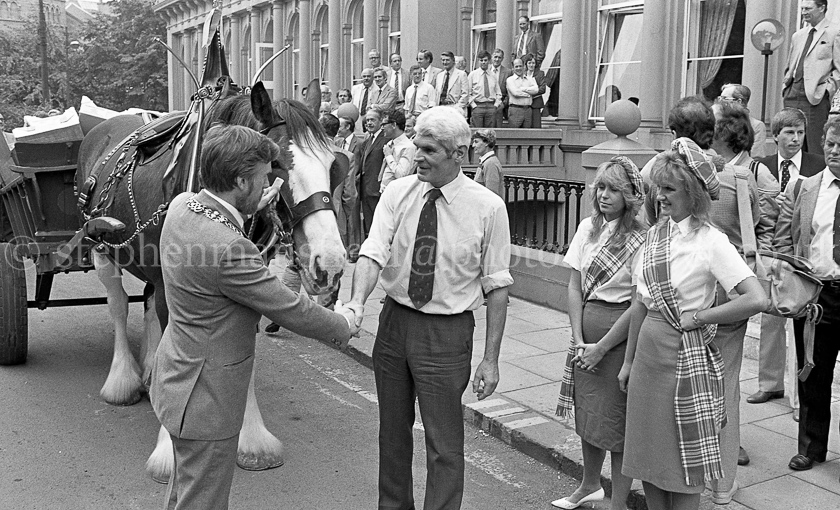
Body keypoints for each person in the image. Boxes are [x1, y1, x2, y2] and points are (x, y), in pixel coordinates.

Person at [150, 125, 358, 510]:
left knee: (183, 493)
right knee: (203, 502)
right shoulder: (231, 249)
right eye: (263, 177)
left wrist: (247, 208)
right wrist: (342, 323)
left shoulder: (181, 206)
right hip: (208, 401)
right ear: (241, 181)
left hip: (177, 384)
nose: (268, 184)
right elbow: (290, 308)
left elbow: (215, 235)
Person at [347, 106, 512, 510]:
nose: (417, 156)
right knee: (392, 434)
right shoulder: (397, 193)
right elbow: (373, 251)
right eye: (417, 146)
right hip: (394, 324)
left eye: (429, 150)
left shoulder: (488, 208)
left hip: (447, 333)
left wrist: (490, 359)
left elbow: (497, 286)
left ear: (459, 153)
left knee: (444, 443)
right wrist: (355, 302)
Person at [619, 139, 768, 510]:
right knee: (649, 458)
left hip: (684, 360)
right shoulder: (654, 235)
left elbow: (756, 298)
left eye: (669, 189)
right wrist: (628, 362)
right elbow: (640, 304)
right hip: (648, 359)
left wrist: (702, 317)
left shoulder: (712, 241)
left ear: (693, 193)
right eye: (658, 188)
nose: (660, 196)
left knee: (686, 463)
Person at [552, 157, 646, 510]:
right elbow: (574, 285)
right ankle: (590, 485)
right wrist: (578, 339)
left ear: (630, 195)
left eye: (614, 190)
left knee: (617, 423)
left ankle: (619, 502)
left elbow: (638, 303)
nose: (604, 195)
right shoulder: (586, 229)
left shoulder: (642, 238)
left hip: (618, 337)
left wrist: (602, 347)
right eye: (601, 187)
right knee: (589, 414)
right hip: (586, 331)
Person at [707, 102, 779, 504]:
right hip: (732, 289)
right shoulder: (741, 177)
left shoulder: (705, 174)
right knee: (726, 380)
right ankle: (722, 478)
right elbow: (755, 229)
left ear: (722, 136)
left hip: (701, 288)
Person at [774, 115, 840, 473]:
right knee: (813, 374)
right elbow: (784, 238)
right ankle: (812, 447)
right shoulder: (806, 187)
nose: (834, 151)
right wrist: (794, 277)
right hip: (817, 296)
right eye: (830, 144)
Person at [751, 107, 824, 415]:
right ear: (776, 135)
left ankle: (798, 395)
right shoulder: (761, 166)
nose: (796, 138)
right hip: (772, 251)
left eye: (800, 133)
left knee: (802, 326)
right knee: (771, 318)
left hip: (803, 254)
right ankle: (769, 384)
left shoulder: (818, 165)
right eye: (790, 132)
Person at [782, 0, 840, 156]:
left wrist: (827, 90)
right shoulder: (798, 36)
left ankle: (817, 172)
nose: (803, 12)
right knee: (791, 142)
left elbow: (839, 69)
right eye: (802, 9)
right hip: (792, 93)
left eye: (808, 8)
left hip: (816, 96)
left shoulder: (835, 32)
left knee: (815, 145)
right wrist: (786, 87)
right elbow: (790, 64)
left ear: (821, 8)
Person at [354, 106, 390, 237]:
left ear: (381, 121)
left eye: (372, 120)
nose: (369, 123)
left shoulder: (385, 139)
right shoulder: (368, 139)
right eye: (367, 120)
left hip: (377, 189)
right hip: (365, 189)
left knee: (378, 226)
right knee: (368, 225)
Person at [336, 116, 362, 259]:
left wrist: (356, 179)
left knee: (353, 222)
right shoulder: (338, 142)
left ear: (348, 127)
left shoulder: (359, 143)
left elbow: (361, 163)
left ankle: (354, 252)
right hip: (340, 187)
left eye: (340, 126)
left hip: (353, 185)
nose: (338, 129)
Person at [718, 83, 767, 158]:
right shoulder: (718, 122)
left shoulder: (756, 126)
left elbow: (757, 156)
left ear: (739, 101)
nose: (720, 102)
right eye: (720, 98)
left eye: (724, 98)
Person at [379, 109, 416, 192]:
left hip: (397, 193)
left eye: (384, 124)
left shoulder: (408, 147)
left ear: (393, 125)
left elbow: (401, 174)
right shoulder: (390, 144)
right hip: (385, 191)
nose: (382, 128)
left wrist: (389, 156)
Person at [468, 50, 503, 128]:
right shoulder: (473, 75)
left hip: (491, 106)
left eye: (485, 60)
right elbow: (468, 93)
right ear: (478, 61)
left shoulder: (493, 75)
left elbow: (498, 93)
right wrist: (473, 106)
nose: (483, 62)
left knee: (490, 131)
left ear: (489, 61)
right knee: (477, 131)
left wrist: (495, 105)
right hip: (478, 106)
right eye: (481, 60)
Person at [506, 58, 539, 128]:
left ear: (524, 66)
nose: (519, 68)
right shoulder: (510, 80)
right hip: (515, 110)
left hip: (528, 110)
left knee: (527, 133)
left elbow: (536, 90)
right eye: (516, 66)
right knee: (514, 132)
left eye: (520, 66)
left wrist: (522, 89)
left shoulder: (530, 79)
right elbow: (515, 93)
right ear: (513, 68)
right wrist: (528, 94)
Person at [471, 129, 504, 198]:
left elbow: (492, 194)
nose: (473, 145)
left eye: (476, 142)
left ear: (486, 143)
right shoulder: (486, 162)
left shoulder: (490, 163)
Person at [435, 51, 469, 117]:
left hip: (455, 108)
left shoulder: (461, 75)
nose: (445, 62)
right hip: (441, 108)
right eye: (443, 60)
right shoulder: (439, 75)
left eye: (447, 60)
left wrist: (457, 108)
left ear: (453, 61)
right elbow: (436, 93)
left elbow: (465, 94)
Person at [523, 53, 546, 128]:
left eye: (533, 63)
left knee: (536, 126)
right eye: (529, 63)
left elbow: (543, 89)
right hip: (524, 104)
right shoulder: (523, 74)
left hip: (535, 103)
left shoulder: (540, 73)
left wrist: (530, 92)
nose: (531, 65)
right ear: (526, 64)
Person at [490, 49, 512, 127]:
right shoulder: (485, 70)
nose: (497, 59)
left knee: (498, 129)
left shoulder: (508, 72)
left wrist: (503, 104)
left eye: (499, 57)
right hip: (487, 105)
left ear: (502, 58)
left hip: (500, 106)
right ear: (492, 57)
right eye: (495, 57)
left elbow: (510, 91)